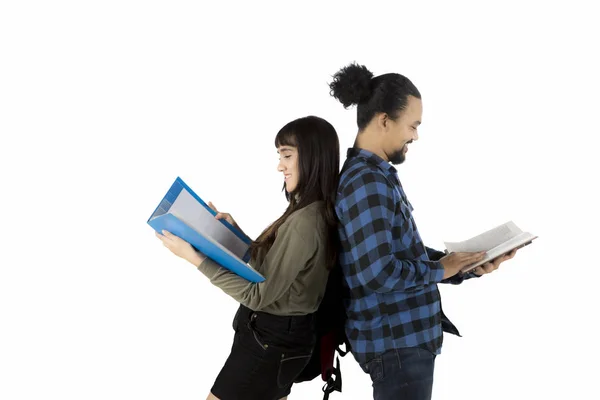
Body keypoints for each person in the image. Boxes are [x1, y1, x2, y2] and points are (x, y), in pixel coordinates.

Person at [329, 63, 518, 400]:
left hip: (404, 344)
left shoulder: (376, 175)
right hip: (396, 345)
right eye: (412, 125)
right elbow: (377, 274)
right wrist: (442, 268)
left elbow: (400, 255)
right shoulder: (366, 182)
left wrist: (464, 266)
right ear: (384, 120)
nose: (415, 135)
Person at [155, 115, 340, 400]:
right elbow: (280, 267)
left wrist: (196, 259)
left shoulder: (306, 221)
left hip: (272, 342)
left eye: (287, 156)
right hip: (280, 339)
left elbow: (258, 294)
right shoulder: (310, 211)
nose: (280, 166)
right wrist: (236, 233)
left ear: (313, 157)